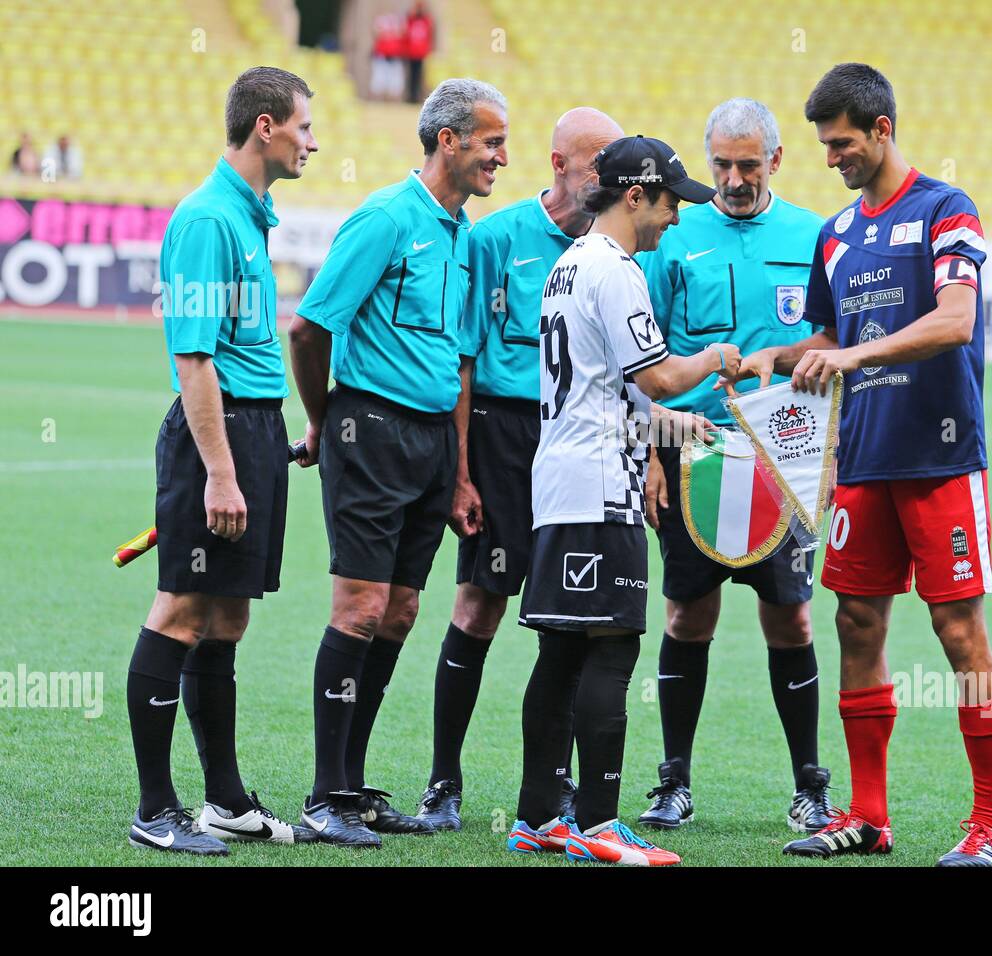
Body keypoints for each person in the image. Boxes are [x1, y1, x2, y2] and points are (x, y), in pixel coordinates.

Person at [729, 64, 992, 866]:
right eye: (824, 145)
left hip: (940, 453)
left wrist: (853, 355)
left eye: (843, 143)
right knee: (857, 624)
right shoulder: (836, 234)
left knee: (959, 632)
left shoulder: (945, 210)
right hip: (862, 458)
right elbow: (827, 340)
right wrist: (775, 358)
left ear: (883, 129)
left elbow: (955, 321)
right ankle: (867, 815)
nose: (832, 158)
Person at [506, 135, 741, 866]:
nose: (677, 217)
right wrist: (713, 360)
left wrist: (680, 425)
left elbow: (610, 392)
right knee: (610, 651)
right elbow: (662, 377)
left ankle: (540, 816)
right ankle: (601, 825)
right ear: (635, 195)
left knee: (561, 656)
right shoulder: (616, 270)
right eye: (672, 201)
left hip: (562, 482)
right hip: (603, 490)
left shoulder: (567, 266)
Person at [289, 78, 507, 847]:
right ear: (447, 140)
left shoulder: (461, 234)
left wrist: (458, 471)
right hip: (371, 430)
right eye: (491, 143)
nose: (501, 158)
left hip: (430, 444)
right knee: (359, 609)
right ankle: (325, 797)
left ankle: (349, 784)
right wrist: (323, 422)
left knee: (403, 610)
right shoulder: (384, 218)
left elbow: (455, 360)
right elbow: (311, 329)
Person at [126, 67, 318, 855]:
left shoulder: (249, 215)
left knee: (228, 617)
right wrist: (223, 470)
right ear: (266, 126)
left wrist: (276, 442)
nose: (313, 141)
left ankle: (226, 802)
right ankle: (154, 807)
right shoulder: (208, 220)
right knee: (181, 608)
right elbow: (195, 359)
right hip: (220, 438)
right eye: (305, 127)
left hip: (254, 432)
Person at [417, 107, 624, 831]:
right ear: (560, 161)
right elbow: (465, 360)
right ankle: (443, 781)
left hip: (580, 442)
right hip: (504, 437)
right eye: (600, 160)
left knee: (569, 621)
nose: (611, 174)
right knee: (478, 604)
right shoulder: (496, 237)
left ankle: (554, 787)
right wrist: (463, 473)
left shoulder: (617, 252)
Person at [633, 98, 832, 833]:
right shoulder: (675, 235)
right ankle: (673, 782)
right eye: (721, 163)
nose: (734, 177)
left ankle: (811, 785)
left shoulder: (814, 235)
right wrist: (655, 453)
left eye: (749, 164)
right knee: (688, 613)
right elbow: (645, 358)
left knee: (793, 618)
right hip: (693, 448)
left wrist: (826, 458)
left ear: (776, 160)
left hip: (786, 451)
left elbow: (830, 343)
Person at [404, 1, 435, 105]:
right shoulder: (411, 20)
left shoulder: (426, 20)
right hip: (411, 52)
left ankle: (416, 97)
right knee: (411, 76)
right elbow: (406, 33)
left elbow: (429, 35)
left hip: (421, 53)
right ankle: (410, 96)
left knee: (419, 76)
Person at [369, 14, 405, 102]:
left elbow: (403, 34)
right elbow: (375, 34)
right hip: (382, 55)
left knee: (395, 83)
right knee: (379, 80)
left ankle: (392, 102)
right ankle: (377, 101)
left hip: (395, 56)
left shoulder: (399, 22)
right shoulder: (381, 21)